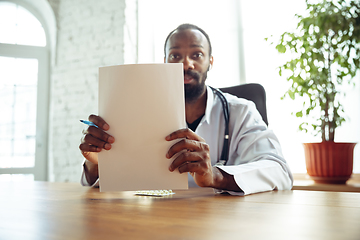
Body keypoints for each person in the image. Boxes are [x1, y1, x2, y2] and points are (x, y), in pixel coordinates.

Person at [79, 23, 293, 195]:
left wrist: (216, 176)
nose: (186, 64)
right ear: (165, 62)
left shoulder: (241, 111)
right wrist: (97, 163)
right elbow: (106, 183)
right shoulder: (136, 111)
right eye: (175, 56)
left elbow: (279, 171)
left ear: (210, 61)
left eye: (197, 55)